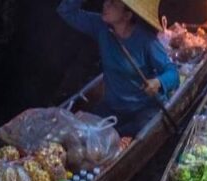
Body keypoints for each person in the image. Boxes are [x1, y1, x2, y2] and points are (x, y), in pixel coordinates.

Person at [58, 0, 179, 137]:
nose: (105, 4)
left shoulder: (146, 40)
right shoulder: (101, 27)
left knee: (133, 132)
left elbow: (173, 73)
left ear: (127, 15)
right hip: (113, 107)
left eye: (113, 3)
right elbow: (66, 12)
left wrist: (158, 82)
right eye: (107, 0)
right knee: (83, 130)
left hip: (143, 109)